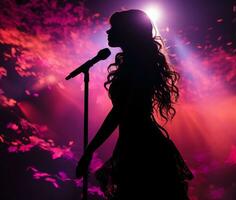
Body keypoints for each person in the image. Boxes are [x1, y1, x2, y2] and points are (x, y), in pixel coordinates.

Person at [76, 9, 193, 200]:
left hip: (142, 146)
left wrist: (90, 149)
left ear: (128, 32)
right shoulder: (133, 64)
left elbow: (120, 111)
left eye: (113, 28)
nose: (108, 32)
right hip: (137, 141)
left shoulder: (138, 65)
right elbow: (121, 111)